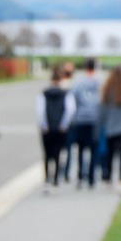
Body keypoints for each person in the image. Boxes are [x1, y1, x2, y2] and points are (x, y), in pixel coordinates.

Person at [36, 66, 76, 194]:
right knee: (58, 155)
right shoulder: (66, 94)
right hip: (60, 129)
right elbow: (70, 110)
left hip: (47, 129)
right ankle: (56, 182)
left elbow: (40, 111)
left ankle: (47, 180)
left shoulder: (43, 94)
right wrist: (64, 124)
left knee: (47, 155)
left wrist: (44, 125)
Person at [71, 58, 101, 188]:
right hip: (95, 120)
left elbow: (73, 100)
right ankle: (91, 178)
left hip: (81, 119)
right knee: (94, 149)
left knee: (81, 149)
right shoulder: (99, 82)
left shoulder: (78, 83)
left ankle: (79, 177)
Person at [59, 61, 76, 182]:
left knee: (66, 149)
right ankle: (65, 171)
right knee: (66, 149)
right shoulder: (68, 85)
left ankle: (64, 171)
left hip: (66, 122)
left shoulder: (64, 84)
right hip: (66, 121)